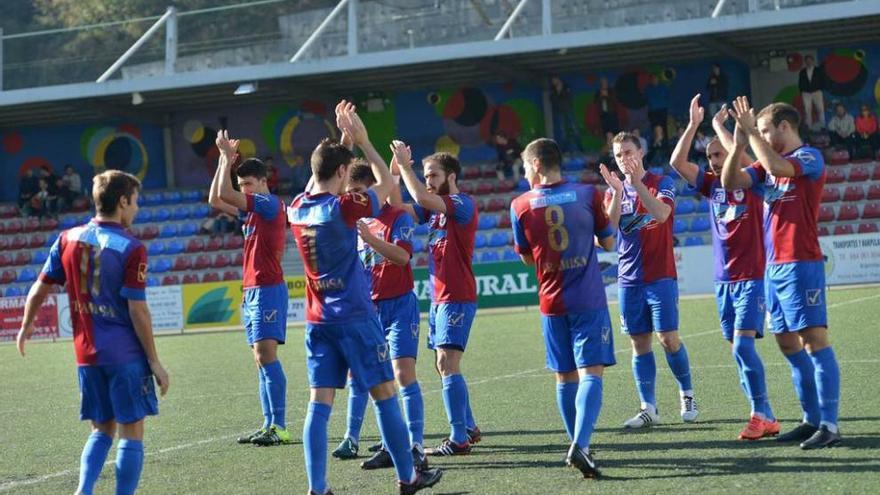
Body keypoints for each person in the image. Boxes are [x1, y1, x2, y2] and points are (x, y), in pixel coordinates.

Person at [287, 101, 442, 494]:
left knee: (318, 406)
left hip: (318, 319)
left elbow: (318, 178)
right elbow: (388, 186)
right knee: (385, 392)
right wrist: (365, 142)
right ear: (342, 174)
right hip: (356, 315)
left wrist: (342, 144)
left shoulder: (297, 208)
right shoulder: (346, 207)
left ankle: (317, 488)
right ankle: (409, 477)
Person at [16, 170, 170, 495]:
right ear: (123, 201)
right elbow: (137, 309)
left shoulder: (67, 239)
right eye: (135, 201)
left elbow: (39, 289)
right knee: (131, 430)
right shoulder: (132, 247)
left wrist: (27, 325)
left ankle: (83, 491)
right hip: (125, 355)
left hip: (87, 354)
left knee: (101, 429)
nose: (137, 209)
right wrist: (154, 361)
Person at [721, 96, 841, 449]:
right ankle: (810, 419)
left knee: (814, 341)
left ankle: (830, 424)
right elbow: (731, 182)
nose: (760, 134)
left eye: (764, 129)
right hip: (773, 268)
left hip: (802, 263)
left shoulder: (808, 158)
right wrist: (740, 143)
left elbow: (776, 167)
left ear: (784, 128)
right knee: (787, 342)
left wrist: (749, 135)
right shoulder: (766, 163)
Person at [670, 94, 779, 440]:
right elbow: (677, 162)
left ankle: (759, 412)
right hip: (723, 281)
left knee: (742, 347)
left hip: (751, 276)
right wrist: (694, 126)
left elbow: (742, 157)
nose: (713, 160)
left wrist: (728, 131)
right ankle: (767, 416)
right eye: (710, 156)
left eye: (717, 154)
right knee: (737, 351)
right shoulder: (709, 186)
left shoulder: (753, 180)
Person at [510, 138, 616, 478]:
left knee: (565, 375)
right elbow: (609, 241)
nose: (524, 173)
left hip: (551, 302)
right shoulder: (588, 194)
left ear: (537, 165)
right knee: (592, 372)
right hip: (588, 298)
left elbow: (527, 257)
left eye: (525, 166)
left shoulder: (520, 205)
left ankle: (576, 442)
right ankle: (581, 445)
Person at [331, 161, 428, 473]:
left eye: (360, 192)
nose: (356, 199)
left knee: (402, 374)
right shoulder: (352, 223)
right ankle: (376, 442)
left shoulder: (396, 216)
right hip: (368, 310)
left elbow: (401, 257)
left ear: (372, 189)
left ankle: (415, 446)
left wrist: (370, 239)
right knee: (368, 378)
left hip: (400, 305)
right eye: (351, 193)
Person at [391, 142, 482, 457]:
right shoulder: (433, 211)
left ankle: (458, 439)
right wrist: (389, 168)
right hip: (441, 297)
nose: (428, 180)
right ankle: (468, 425)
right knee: (441, 363)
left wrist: (405, 166)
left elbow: (419, 197)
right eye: (425, 175)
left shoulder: (462, 202)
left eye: (433, 175)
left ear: (451, 176)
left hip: (457, 295)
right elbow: (397, 207)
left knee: (447, 362)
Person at [602, 131, 698, 429]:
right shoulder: (613, 190)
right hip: (629, 279)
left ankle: (687, 394)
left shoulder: (662, 183)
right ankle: (648, 408)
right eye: (618, 155)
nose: (623, 159)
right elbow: (611, 225)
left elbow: (661, 214)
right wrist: (619, 191)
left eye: (628, 152)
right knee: (638, 342)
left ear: (640, 152)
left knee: (668, 339)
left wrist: (637, 186)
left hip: (660, 276)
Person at [209, 131, 291, 447]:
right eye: (242, 185)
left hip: (268, 287)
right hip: (253, 289)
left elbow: (226, 195)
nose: (243, 190)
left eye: (248, 185)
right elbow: (215, 199)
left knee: (265, 354)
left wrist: (228, 161)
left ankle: (280, 426)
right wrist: (223, 160)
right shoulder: (254, 211)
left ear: (262, 183)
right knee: (259, 359)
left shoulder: (269, 205)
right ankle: (269, 423)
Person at [550, 76, 583, 153]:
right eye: (552, 81)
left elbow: (568, 97)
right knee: (562, 132)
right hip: (559, 111)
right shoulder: (553, 90)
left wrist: (560, 91)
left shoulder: (566, 87)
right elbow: (552, 99)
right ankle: (563, 150)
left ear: (558, 79)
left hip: (568, 110)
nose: (553, 82)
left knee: (574, 129)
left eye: (554, 80)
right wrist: (557, 92)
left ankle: (580, 147)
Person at [799, 55, 827, 129]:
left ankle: (823, 126)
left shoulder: (818, 70)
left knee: (820, 109)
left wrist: (820, 88)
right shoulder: (803, 72)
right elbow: (800, 82)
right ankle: (809, 126)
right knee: (807, 110)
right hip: (806, 93)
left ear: (813, 61)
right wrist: (802, 90)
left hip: (817, 91)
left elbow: (823, 80)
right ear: (805, 62)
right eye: (807, 61)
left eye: (810, 60)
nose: (808, 62)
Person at [645, 75, 670, 139]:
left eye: (655, 79)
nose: (654, 80)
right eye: (653, 79)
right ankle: (655, 143)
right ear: (651, 80)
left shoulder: (663, 87)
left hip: (662, 110)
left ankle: (665, 144)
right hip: (652, 111)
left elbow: (666, 97)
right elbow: (646, 99)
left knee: (663, 127)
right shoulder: (648, 89)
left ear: (658, 80)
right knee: (654, 128)